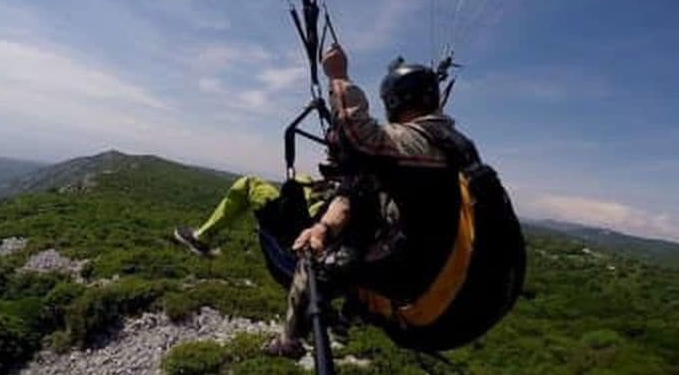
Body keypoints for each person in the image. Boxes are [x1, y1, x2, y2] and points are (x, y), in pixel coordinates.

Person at [264, 43, 525, 357]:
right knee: (358, 236)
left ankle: (288, 341)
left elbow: (359, 137)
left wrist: (338, 75)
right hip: (476, 306)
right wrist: (324, 228)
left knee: (319, 264)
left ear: (394, 101)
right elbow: (358, 192)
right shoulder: (457, 150)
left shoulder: (419, 142)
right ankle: (350, 314)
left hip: (433, 315)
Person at [174, 175, 328, 257]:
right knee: (303, 179)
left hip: (298, 231)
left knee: (249, 183)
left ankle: (202, 238)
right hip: (322, 223)